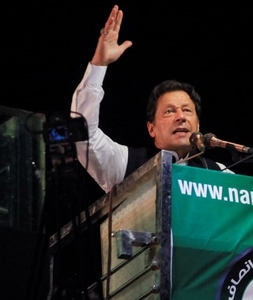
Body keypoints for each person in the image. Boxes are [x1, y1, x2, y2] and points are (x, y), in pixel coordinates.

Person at [70, 4, 231, 193]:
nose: (181, 116)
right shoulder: (125, 163)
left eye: (187, 110)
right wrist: (99, 65)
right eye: (169, 111)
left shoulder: (220, 173)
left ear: (198, 126)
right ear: (151, 128)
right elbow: (82, 135)